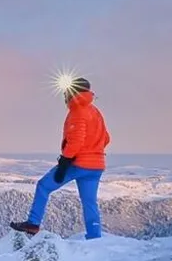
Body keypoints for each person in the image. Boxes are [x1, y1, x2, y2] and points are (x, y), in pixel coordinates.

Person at [10, 75, 109, 239]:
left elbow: (76, 141)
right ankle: (94, 237)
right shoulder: (95, 112)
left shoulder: (78, 111)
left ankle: (33, 224)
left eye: (66, 93)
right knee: (89, 202)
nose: (64, 96)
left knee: (43, 186)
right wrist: (94, 151)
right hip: (96, 165)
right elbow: (106, 138)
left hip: (78, 164)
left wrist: (65, 161)